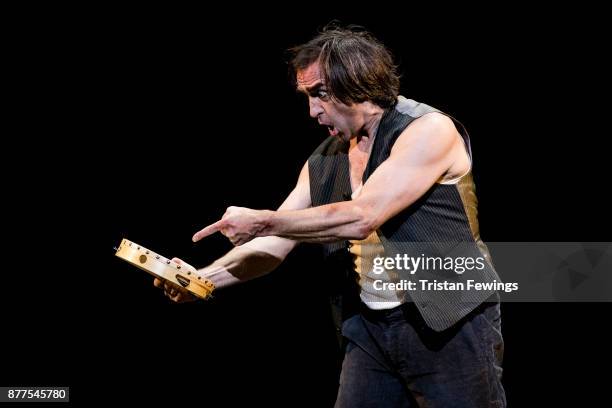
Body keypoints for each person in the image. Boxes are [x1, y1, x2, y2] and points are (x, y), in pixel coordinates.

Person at [154, 25, 506, 407]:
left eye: (319, 93)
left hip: (451, 321)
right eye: (306, 96)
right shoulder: (326, 159)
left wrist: (265, 220)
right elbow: (274, 244)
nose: (312, 110)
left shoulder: (427, 130)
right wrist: (202, 280)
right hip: (370, 327)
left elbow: (363, 216)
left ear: (358, 81)